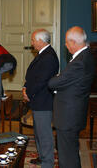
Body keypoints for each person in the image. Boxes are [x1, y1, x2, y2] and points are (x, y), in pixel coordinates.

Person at [48, 26, 95, 168]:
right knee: (70, 152)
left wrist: (57, 78)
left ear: (74, 42)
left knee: (67, 157)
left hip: (68, 116)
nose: (66, 45)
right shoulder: (86, 56)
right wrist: (61, 78)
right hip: (73, 113)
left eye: (67, 42)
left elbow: (53, 83)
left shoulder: (79, 62)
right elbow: (68, 80)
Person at [22, 29, 59, 167]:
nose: (31, 43)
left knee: (44, 135)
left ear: (40, 41)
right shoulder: (43, 54)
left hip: (43, 101)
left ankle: (47, 162)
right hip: (37, 99)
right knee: (38, 133)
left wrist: (28, 92)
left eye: (33, 40)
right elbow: (32, 75)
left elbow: (42, 80)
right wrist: (26, 87)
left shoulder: (49, 57)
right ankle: (42, 157)